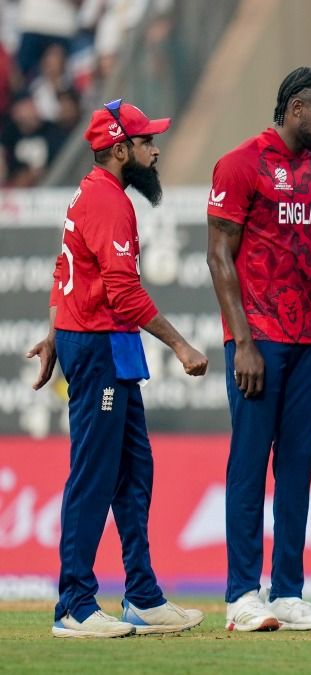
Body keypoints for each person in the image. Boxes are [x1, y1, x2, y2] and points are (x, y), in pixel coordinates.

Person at [26, 99, 207, 638]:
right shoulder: (108, 201)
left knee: (134, 475)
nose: (155, 151)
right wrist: (180, 346)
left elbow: (65, 267)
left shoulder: (96, 193)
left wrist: (54, 332)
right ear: (120, 148)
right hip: (101, 345)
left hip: (106, 342)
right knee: (95, 475)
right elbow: (122, 291)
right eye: (147, 142)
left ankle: (144, 598)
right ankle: (74, 606)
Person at [207, 66, 311, 632]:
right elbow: (218, 256)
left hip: (309, 340)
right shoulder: (240, 165)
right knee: (248, 466)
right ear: (296, 109)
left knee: (297, 467)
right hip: (257, 340)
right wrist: (242, 341)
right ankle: (243, 594)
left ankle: (288, 592)